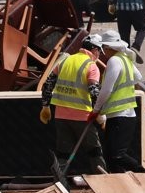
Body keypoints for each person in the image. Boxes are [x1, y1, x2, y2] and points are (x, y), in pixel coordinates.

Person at [40, 34, 106, 175]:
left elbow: (47, 84)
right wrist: (100, 114)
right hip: (83, 116)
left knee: (63, 153)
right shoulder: (91, 66)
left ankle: (59, 181)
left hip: (61, 116)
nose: (99, 55)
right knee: (94, 151)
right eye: (99, 51)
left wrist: (45, 106)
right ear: (94, 49)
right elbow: (94, 92)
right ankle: (103, 181)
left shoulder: (65, 61)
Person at [94, 30, 145, 173]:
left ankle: (143, 173)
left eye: (103, 48)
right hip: (124, 115)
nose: (103, 51)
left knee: (117, 155)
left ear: (109, 48)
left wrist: (96, 110)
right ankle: (119, 182)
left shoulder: (114, 61)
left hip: (119, 116)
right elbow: (137, 77)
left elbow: (106, 90)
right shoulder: (125, 59)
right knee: (111, 156)